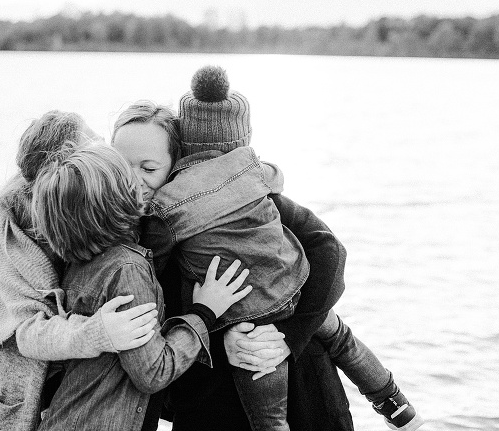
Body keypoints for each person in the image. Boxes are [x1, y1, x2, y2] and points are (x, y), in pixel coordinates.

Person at [111, 67, 423, 431]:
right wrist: (209, 323)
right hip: (211, 396)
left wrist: (286, 338)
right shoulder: (119, 235)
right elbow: (151, 326)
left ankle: (392, 401)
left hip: (299, 381)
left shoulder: (254, 202)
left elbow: (329, 252)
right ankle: (392, 400)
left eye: (148, 168)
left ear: (178, 161)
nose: (132, 180)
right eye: (119, 165)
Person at [0, 110, 161, 431]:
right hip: (22, 388)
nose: (106, 147)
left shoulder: (107, 193)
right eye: (94, 144)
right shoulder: (16, 231)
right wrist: (99, 332)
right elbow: (30, 333)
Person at [29, 142, 253, 431]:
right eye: (127, 179)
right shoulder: (127, 270)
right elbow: (153, 372)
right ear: (116, 202)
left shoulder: (78, 264)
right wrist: (204, 312)